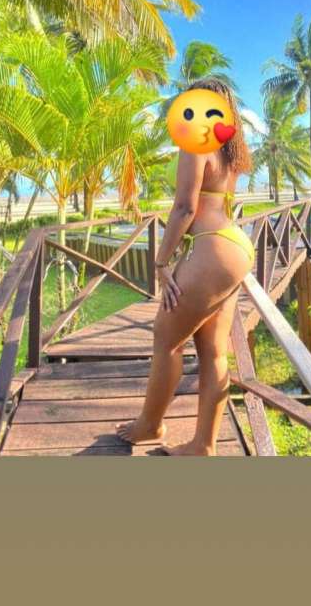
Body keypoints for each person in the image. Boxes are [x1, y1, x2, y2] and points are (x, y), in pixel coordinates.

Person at [116, 78, 254, 455]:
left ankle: (150, 425)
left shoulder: (196, 142)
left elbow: (184, 208)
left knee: (166, 339)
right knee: (213, 350)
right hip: (234, 246)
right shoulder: (230, 150)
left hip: (213, 249)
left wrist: (162, 262)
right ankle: (203, 445)